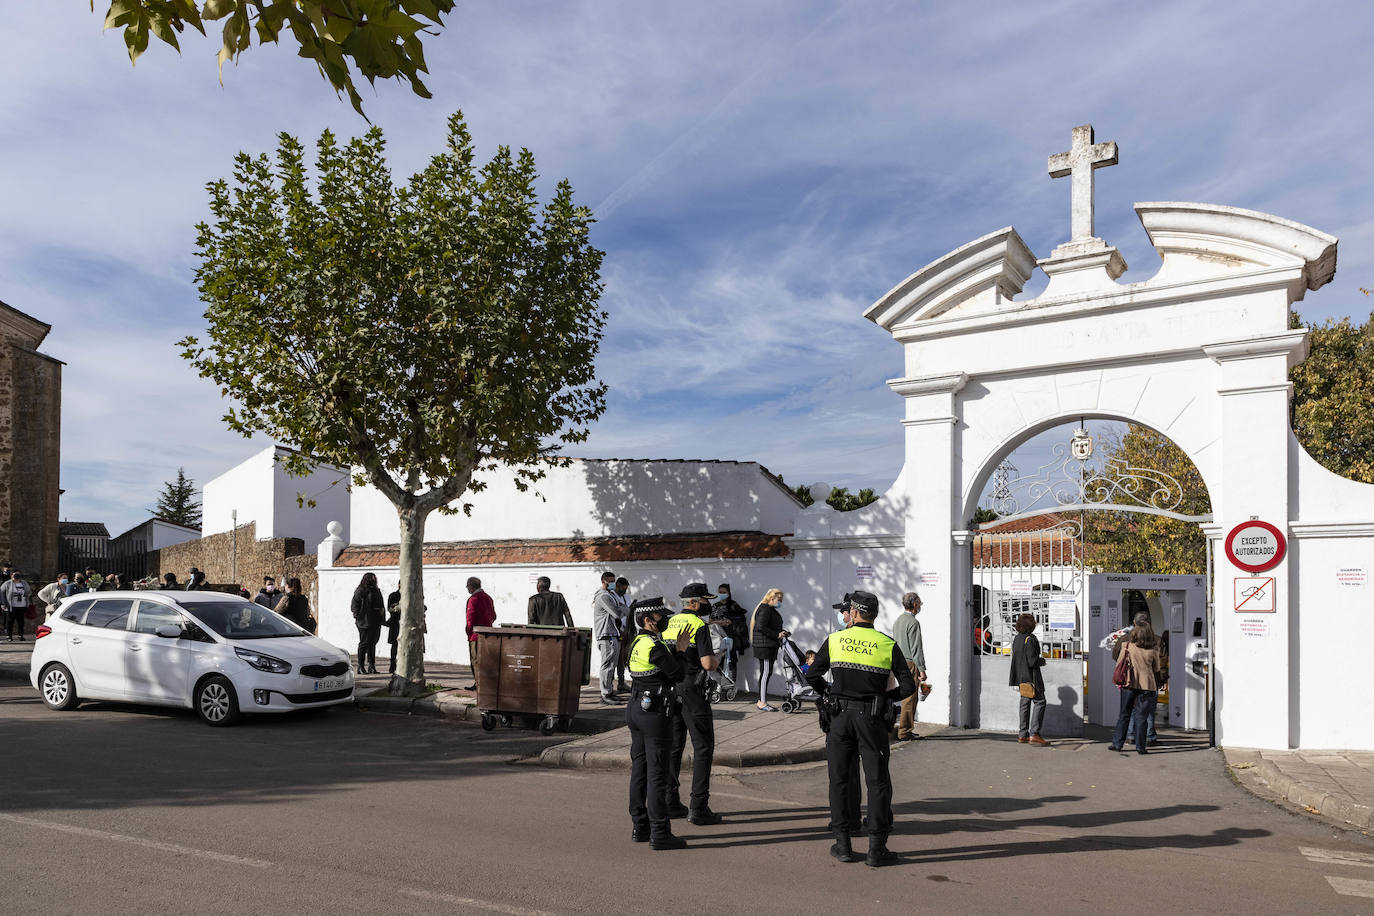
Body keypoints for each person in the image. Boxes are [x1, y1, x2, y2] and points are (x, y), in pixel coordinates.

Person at [805, 590, 916, 867]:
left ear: (853, 614)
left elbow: (812, 675)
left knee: (840, 779)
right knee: (877, 782)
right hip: (872, 719)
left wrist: (829, 692)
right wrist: (884, 699)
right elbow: (908, 687)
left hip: (839, 718)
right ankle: (876, 849)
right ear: (874, 615)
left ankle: (843, 845)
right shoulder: (887, 644)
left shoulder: (835, 639)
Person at [625, 597, 692, 850]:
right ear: (647, 620)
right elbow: (678, 674)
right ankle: (660, 832)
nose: (664, 620)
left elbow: (660, 662)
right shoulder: (653, 645)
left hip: (635, 709)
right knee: (657, 774)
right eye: (659, 617)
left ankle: (640, 826)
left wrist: (673, 651)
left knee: (639, 770)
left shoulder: (637, 642)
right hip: (654, 714)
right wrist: (683, 651)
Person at [660, 583, 722, 825]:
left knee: (674, 747)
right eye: (705, 601)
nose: (708, 605)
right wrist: (716, 661)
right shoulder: (699, 625)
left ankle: (670, 800)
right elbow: (707, 664)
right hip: (693, 690)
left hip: (671, 689)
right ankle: (698, 806)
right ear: (695, 603)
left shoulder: (669, 622)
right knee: (703, 747)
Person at [1109, 613, 1164, 755]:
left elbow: (1119, 663)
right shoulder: (1153, 650)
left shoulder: (1126, 645)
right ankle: (1141, 746)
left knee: (1124, 714)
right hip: (1147, 686)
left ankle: (1117, 743)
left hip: (1128, 683)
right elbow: (1156, 668)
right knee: (1142, 717)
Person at [892, 592, 929, 741]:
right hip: (910, 663)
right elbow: (916, 648)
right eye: (919, 603)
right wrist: (922, 669)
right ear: (914, 604)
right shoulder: (913, 623)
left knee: (906, 695)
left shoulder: (899, 620)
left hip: (899, 661)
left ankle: (906, 729)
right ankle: (905, 730)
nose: (920, 606)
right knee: (910, 698)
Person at [1009, 613, 1049, 746]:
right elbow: (1032, 661)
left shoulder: (1017, 638)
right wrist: (1041, 661)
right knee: (1040, 702)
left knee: (1024, 704)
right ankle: (1035, 734)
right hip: (1032, 677)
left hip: (1021, 676)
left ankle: (1022, 734)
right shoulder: (1030, 639)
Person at [750, 588, 789, 711]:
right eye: (779, 600)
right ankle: (762, 702)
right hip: (765, 647)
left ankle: (761, 700)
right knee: (766, 673)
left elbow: (767, 626)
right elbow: (760, 627)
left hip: (767, 645)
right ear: (772, 598)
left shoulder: (767, 609)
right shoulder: (765, 609)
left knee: (766, 673)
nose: (780, 602)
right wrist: (776, 635)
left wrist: (780, 632)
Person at [592, 570, 623, 705]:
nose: (612, 584)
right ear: (603, 582)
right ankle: (605, 694)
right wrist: (624, 608)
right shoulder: (603, 597)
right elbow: (617, 613)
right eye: (610, 581)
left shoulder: (610, 595)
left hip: (611, 634)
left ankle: (609, 692)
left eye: (613, 581)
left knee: (612, 665)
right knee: (607, 666)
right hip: (606, 635)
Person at [351, 572, 386, 675]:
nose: (373, 581)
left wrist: (381, 614)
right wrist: (358, 615)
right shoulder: (360, 591)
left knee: (372, 643)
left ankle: (372, 666)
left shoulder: (376, 591)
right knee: (364, 643)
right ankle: (360, 667)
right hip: (364, 621)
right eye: (371, 579)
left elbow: (381, 604)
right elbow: (354, 605)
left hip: (375, 620)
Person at [465, 577, 496, 692]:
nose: (467, 588)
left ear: (471, 586)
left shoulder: (473, 599)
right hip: (487, 634)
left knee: (475, 660)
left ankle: (479, 684)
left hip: (475, 635)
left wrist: (469, 632)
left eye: (468, 586)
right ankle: (483, 683)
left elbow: (470, 618)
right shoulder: (488, 598)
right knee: (485, 660)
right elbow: (493, 615)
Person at [712, 583, 748, 684]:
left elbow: (740, 619)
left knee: (731, 661)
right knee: (718, 661)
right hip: (717, 638)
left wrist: (730, 621)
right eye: (720, 592)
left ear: (728, 593)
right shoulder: (715, 606)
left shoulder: (733, 605)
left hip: (730, 637)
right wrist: (720, 622)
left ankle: (731, 685)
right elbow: (710, 621)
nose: (722, 594)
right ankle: (718, 685)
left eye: (724, 592)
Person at [613, 576, 632, 693]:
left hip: (625, 631)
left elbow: (628, 613)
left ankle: (621, 682)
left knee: (622, 658)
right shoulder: (612, 597)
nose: (624, 591)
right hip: (615, 631)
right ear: (617, 586)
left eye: (626, 589)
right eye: (622, 589)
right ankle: (609, 686)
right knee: (612, 659)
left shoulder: (626, 597)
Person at [1, 571, 32, 641]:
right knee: (10, 622)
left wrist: (27, 595)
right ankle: (9, 636)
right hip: (11, 606)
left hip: (22, 605)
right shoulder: (7, 583)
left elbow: (29, 591)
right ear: (12, 576)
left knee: (21, 622)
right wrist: (4, 603)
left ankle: (20, 635)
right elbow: (2, 592)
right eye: (15, 575)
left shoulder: (24, 583)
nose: (16, 577)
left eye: (18, 575)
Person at [385, 590, 402, 674]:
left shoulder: (414, 594)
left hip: (408, 623)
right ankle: (392, 665)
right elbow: (390, 608)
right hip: (395, 623)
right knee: (395, 645)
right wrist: (397, 608)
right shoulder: (393, 595)